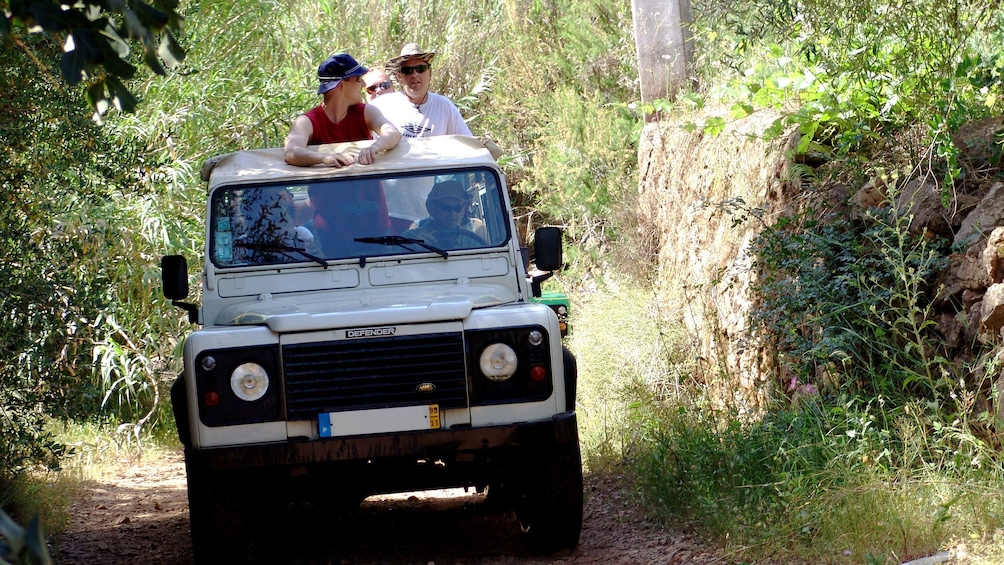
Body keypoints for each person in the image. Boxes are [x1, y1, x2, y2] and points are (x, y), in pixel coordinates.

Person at [284, 53, 402, 167]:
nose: (364, 84)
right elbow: (291, 152)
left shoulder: (367, 112)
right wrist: (325, 158)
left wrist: (375, 147)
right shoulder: (307, 122)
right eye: (358, 79)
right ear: (341, 85)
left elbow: (393, 133)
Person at [370, 43, 473, 138]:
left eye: (420, 69)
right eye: (408, 70)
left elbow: (467, 144)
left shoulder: (444, 106)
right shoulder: (381, 106)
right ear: (399, 77)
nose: (415, 74)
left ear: (430, 73)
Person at [401, 179, 487, 248]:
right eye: (445, 208)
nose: (452, 213)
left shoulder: (475, 234)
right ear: (432, 208)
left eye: (458, 208)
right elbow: (392, 255)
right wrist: (414, 246)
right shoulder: (413, 235)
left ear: (464, 209)